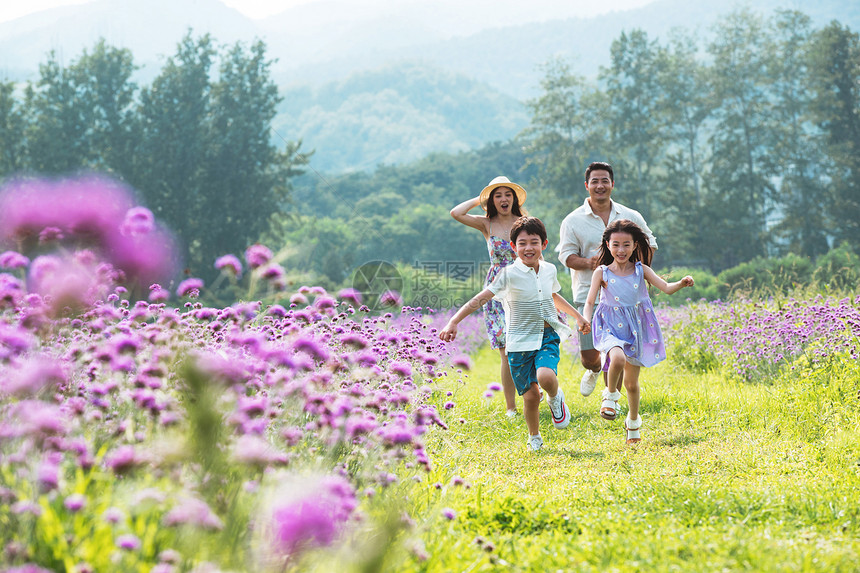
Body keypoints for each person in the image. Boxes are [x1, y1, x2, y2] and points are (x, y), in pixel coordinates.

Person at [439, 216, 590, 452]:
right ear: (513, 247)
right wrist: (453, 320)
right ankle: (534, 436)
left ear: (544, 244)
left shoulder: (549, 269)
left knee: (546, 377)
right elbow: (481, 299)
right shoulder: (508, 274)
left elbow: (553, 296)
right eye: (522, 243)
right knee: (530, 396)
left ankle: (554, 397)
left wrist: (577, 316)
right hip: (518, 343)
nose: (528, 248)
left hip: (546, 334)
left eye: (534, 242)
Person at [583, 219, 693, 444]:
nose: (620, 250)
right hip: (609, 327)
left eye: (626, 245)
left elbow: (666, 288)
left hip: (635, 330)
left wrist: (681, 283)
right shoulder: (601, 272)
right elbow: (590, 301)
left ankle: (633, 421)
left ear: (635, 246)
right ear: (607, 244)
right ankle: (610, 396)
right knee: (617, 357)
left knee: (632, 385)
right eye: (615, 244)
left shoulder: (641, 270)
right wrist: (584, 319)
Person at [556, 162, 657, 399]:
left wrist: (635, 266)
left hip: (624, 299)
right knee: (589, 355)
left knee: (618, 352)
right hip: (587, 295)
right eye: (595, 181)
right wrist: (592, 264)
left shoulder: (630, 216)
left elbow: (650, 243)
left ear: (612, 184)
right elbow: (566, 256)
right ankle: (593, 368)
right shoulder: (573, 220)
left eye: (604, 181)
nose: (600, 186)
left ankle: (612, 400)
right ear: (587, 185)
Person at [450, 176, 526, 416]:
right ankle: (511, 407)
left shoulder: (525, 222)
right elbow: (456, 213)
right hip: (495, 291)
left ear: (514, 198)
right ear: (491, 200)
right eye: (497, 195)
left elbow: (538, 254)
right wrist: (479, 198)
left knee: (528, 347)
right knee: (506, 349)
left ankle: (533, 388)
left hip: (523, 286)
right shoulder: (486, 224)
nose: (503, 199)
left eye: (507, 194)